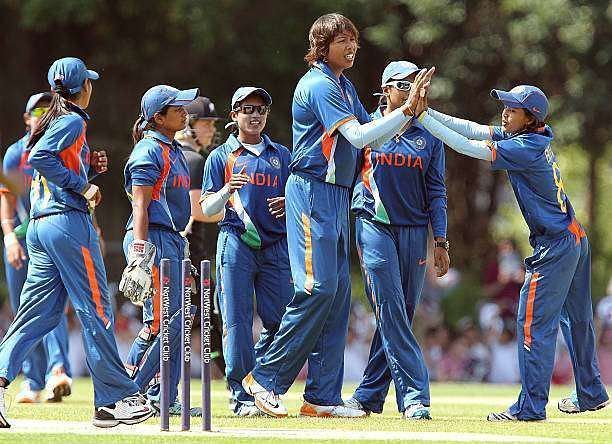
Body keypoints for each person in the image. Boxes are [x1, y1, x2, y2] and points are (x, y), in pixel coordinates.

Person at [242, 13, 434, 418]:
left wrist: (412, 112)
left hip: (337, 197)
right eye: (344, 39)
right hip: (312, 191)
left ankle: (322, 397)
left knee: (339, 297)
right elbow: (361, 138)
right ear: (323, 44)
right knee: (318, 288)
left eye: (355, 41)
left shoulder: (344, 85)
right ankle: (265, 379)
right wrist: (406, 111)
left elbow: (376, 133)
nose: (352, 47)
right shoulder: (318, 84)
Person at [415, 83, 610, 420]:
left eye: (511, 108)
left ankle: (530, 407)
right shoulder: (532, 137)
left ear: (529, 116)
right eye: (504, 106)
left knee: (533, 324)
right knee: (576, 320)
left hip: (555, 246)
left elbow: (466, 145)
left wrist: (419, 117)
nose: (504, 112)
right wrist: (425, 112)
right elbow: (474, 129)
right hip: (574, 238)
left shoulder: (523, 147)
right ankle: (590, 392)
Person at [0, 57, 153, 428]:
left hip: (40, 226)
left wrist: (88, 168)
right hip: (67, 224)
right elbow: (40, 159)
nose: (91, 88)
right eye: (89, 82)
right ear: (82, 87)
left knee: (37, 314)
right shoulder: (71, 119)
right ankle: (113, 400)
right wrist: (82, 184)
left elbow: (47, 163)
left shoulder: (50, 119)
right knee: (97, 308)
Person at [344, 61, 449, 420]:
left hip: (415, 231)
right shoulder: (368, 126)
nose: (412, 91)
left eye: (416, 85)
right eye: (403, 85)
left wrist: (442, 240)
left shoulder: (429, 133)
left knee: (400, 314)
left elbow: (436, 189)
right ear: (385, 89)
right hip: (374, 223)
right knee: (389, 308)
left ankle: (368, 395)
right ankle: (415, 396)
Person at [200, 87, 292, 417]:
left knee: (284, 321)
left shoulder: (281, 155)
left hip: (276, 246)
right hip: (236, 243)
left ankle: (260, 380)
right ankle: (240, 396)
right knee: (236, 323)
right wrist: (227, 189)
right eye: (248, 109)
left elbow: (299, 197)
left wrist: (289, 202)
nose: (255, 115)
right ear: (234, 114)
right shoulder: (220, 156)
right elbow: (208, 208)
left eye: (262, 109)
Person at [120, 84, 201, 418]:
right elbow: (140, 205)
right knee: (166, 323)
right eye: (177, 107)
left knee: (183, 318)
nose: (185, 111)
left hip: (170, 240)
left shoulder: (175, 150)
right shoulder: (147, 151)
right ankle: (129, 393)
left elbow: (176, 211)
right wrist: (140, 254)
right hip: (149, 238)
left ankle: (164, 397)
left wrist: (183, 252)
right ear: (158, 117)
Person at [1, 92, 73, 404]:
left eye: (48, 110)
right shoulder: (17, 155)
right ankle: (31, 381)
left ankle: (57, 370)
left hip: (53, 234)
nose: (43, 116)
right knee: (23, 309)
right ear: (27, 118)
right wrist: (9, 239)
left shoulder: (59, 147)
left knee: (52, 303)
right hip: (23, 235)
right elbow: (8, 203)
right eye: (37, 111)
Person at [175, 96, 226, 376]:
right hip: (191, 253)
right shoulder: (193, 160)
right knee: (207, 320)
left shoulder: (173, 155)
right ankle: (235, 379)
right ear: (189, 125)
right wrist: (232, 211)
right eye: (205, 123)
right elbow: (198, 210)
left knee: (195, 321)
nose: (210, 129)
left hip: (179, 251)